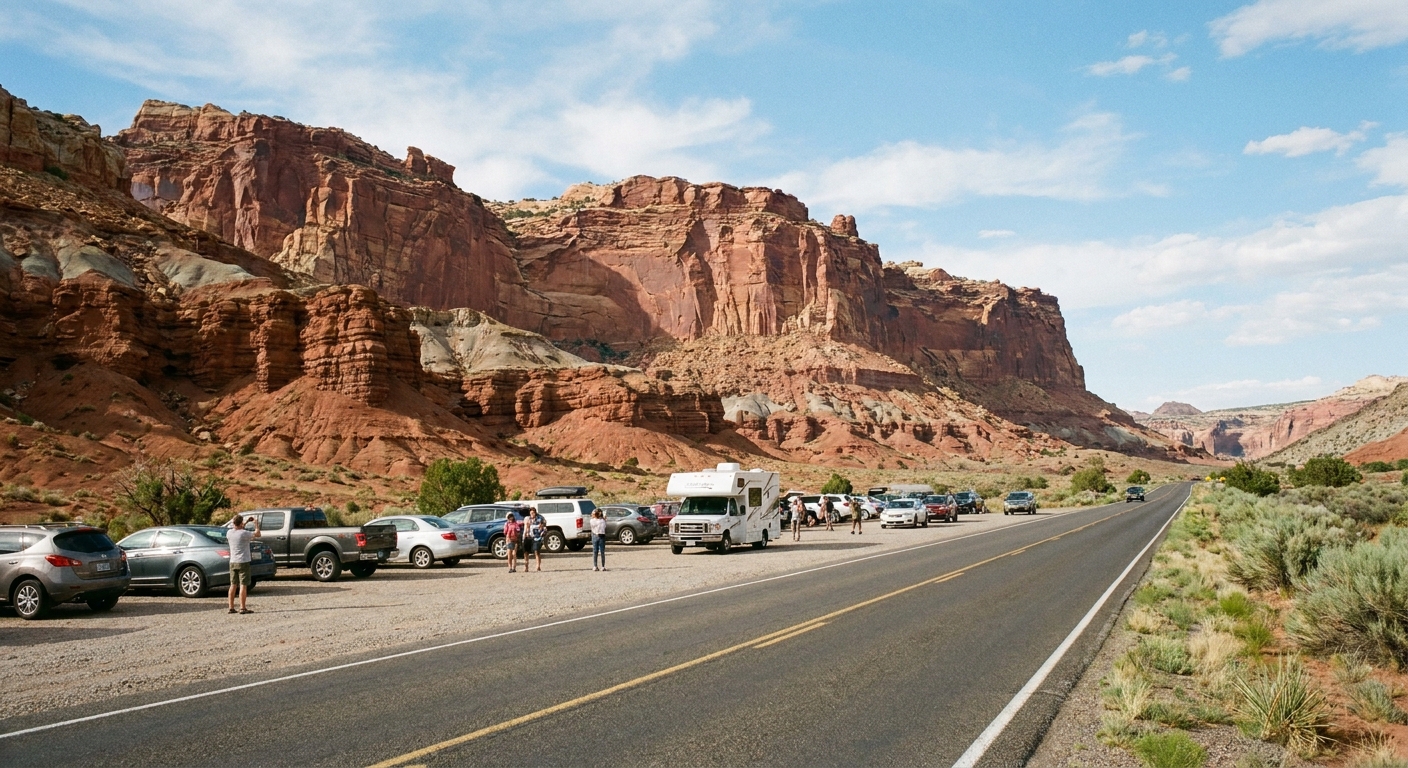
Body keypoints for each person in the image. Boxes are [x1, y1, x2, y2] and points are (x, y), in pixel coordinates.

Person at [227, 513, 261, 615]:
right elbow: (257, 534)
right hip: (243, 561)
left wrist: (244, 523)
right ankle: (242, 607)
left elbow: (238, 529)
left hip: (233, 561)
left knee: (233, 584)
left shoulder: (229, 533)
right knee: (243, 585)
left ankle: (231, 607)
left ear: (233, 523)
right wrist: (256, 524)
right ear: (241, 523)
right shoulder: (244, 534)